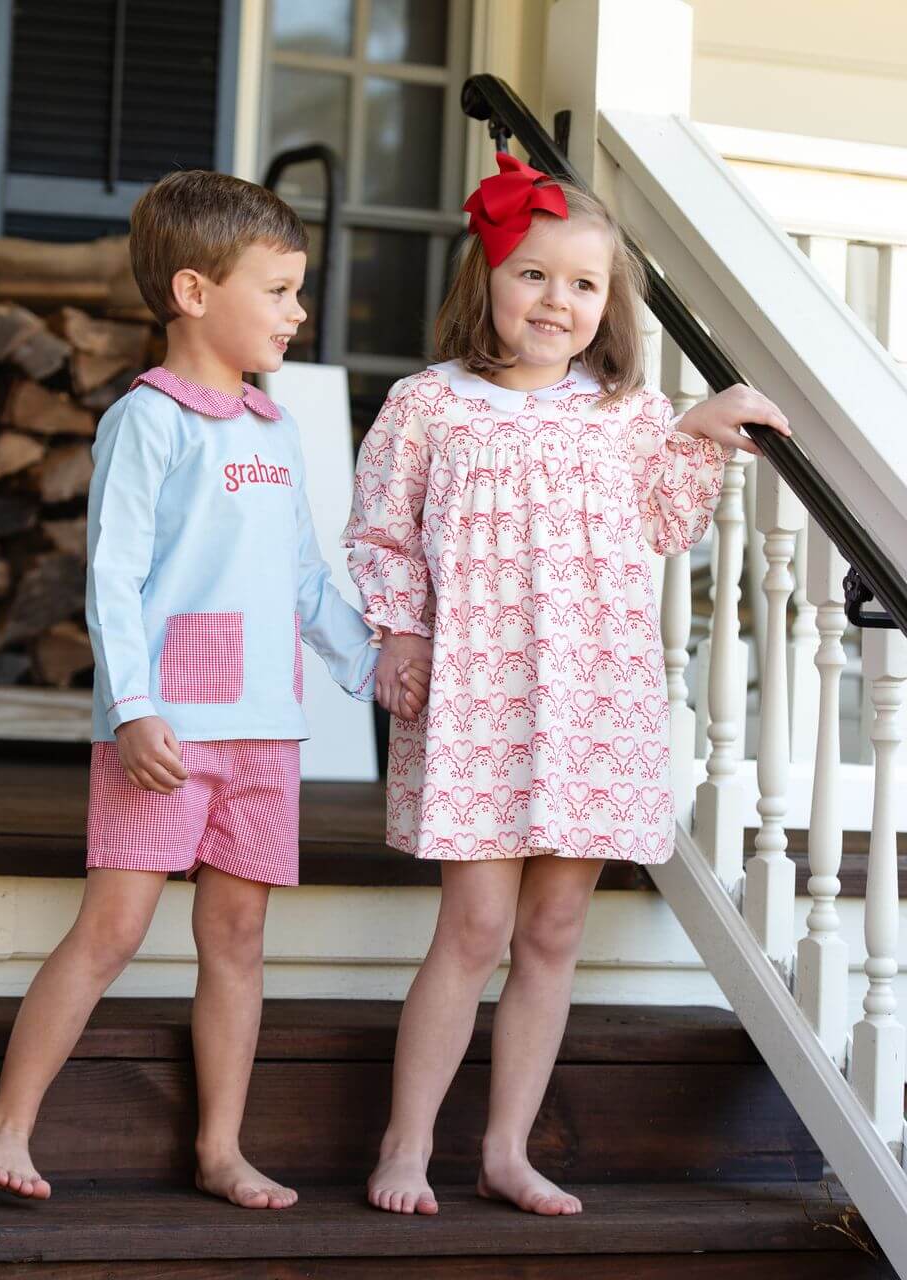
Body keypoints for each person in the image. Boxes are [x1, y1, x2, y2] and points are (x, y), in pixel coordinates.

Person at [0, 169, 428, 1209]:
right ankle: (6, 1120)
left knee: (239, 939)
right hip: (166, 730)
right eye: (279, 289)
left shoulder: (274, 427)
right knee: (113, 930)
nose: (298, 311)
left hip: (268, 730)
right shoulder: (149, 420)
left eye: (298, 289)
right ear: (193, 291)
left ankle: (220, 1146)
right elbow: (113, 575)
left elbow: (305, 578)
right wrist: (130, 706)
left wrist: (374, 662)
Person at [343, 153, 790, 1217]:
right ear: (487, 280)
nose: (556, 301)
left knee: (550, 932)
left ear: (607, 303)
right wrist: (399, 633)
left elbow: (665, 522)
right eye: (533, 275)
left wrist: (698, 428)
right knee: (474, 926)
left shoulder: (625, 414)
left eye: (582, 285)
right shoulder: (427, 406)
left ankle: (506, 1147)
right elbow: (380, 532)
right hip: (478, 692)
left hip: (592, 696)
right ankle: (404, 1145)